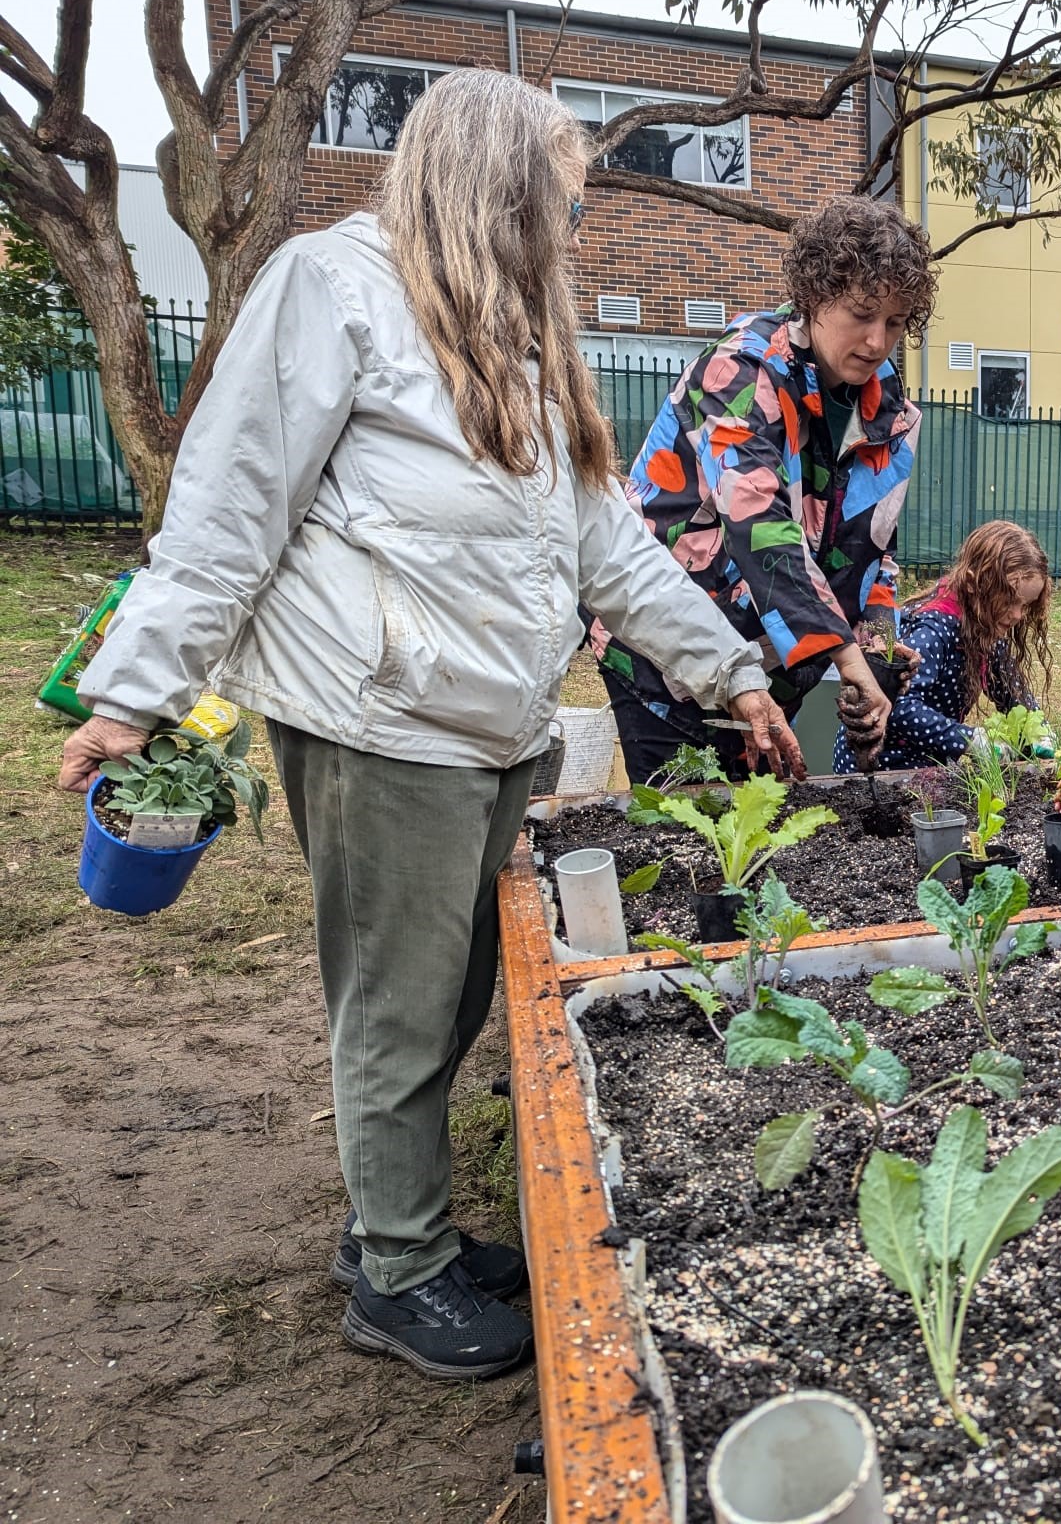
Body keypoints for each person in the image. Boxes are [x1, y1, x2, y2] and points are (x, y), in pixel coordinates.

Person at [55, 70, 801, 1380]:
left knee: (453, 995)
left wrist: (731, 670)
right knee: (397, 1010)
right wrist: (136, 690)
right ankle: (397, 1275)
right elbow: (227, 506)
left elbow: (608, 551)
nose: (571, 238)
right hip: (379, 724)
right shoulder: (331, 289)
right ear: (493, 191)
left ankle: (394, 1226)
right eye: (558, 210)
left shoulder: (517, 338)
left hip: (491, 730)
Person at [594, 196, 937, 783]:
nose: (878, 340)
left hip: (778, 666)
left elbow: (876, 552)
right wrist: (845, 656)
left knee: (761, 829)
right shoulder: (739, 370)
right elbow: (762, 528)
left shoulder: (890, 418)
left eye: (897, 322)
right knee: (689, 834)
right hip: (669, 651)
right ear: (814, 295)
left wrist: (875, 658)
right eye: (861, 313)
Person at [829, 520, 1053, 772]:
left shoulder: (985, 624)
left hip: (925, 764)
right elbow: (898, 706)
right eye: (1010, 600)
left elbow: (1010, 689)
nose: (1017, 615)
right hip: (882, 764)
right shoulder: (935, 629)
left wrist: (1037, 729)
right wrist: (969, 740)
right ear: (973, 583)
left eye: (1025, 605)